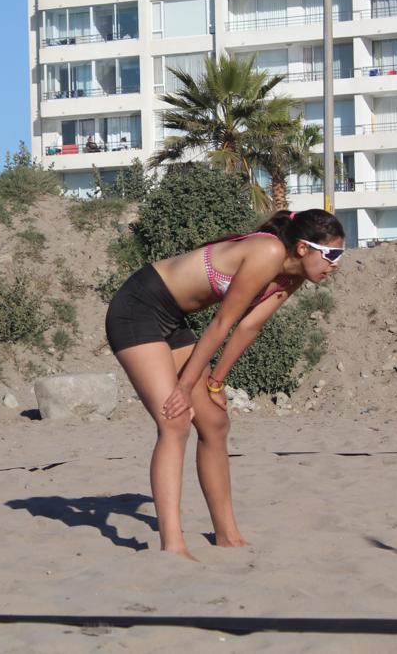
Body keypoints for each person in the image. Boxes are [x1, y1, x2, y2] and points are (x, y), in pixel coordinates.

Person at [105, 209, 345, 559]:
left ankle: (227, 535)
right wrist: (186, 386)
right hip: (137, 308)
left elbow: (249, 327)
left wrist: (216, 382)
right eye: (332, 254)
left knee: (215, 423)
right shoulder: (269, 252)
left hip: (172, 318)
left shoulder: (291, 276)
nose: (335, 264)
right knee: (174, 421)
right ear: (304, 249)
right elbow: (222, 322)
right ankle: (172, 546)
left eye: (340, 255)